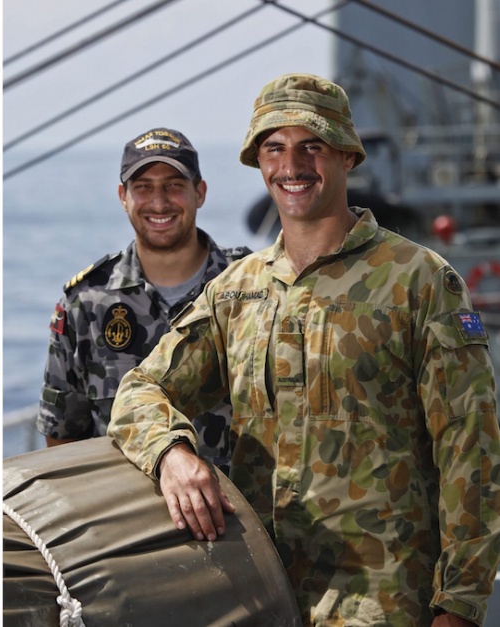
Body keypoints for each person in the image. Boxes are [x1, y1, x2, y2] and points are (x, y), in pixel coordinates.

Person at [108, 73, 500, 626]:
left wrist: (459, 604)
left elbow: (471, 447)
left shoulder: (418, 280)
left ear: (346, 157)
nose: (291, 166)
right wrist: (172, 454)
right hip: (261, 594)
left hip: (382, 599)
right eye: (274, 148)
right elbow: (140, 389)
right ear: (259, 162)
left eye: (311, 146)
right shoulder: (238, 290)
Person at [38, 127, 250, 464]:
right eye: (143, 188)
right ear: (123, 197)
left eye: (174, 186)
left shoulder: (250, 286)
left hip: (238, 509)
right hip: (127, 512)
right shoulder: (87, 303)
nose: (159, 202)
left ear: (200, 192)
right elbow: (63, 437)